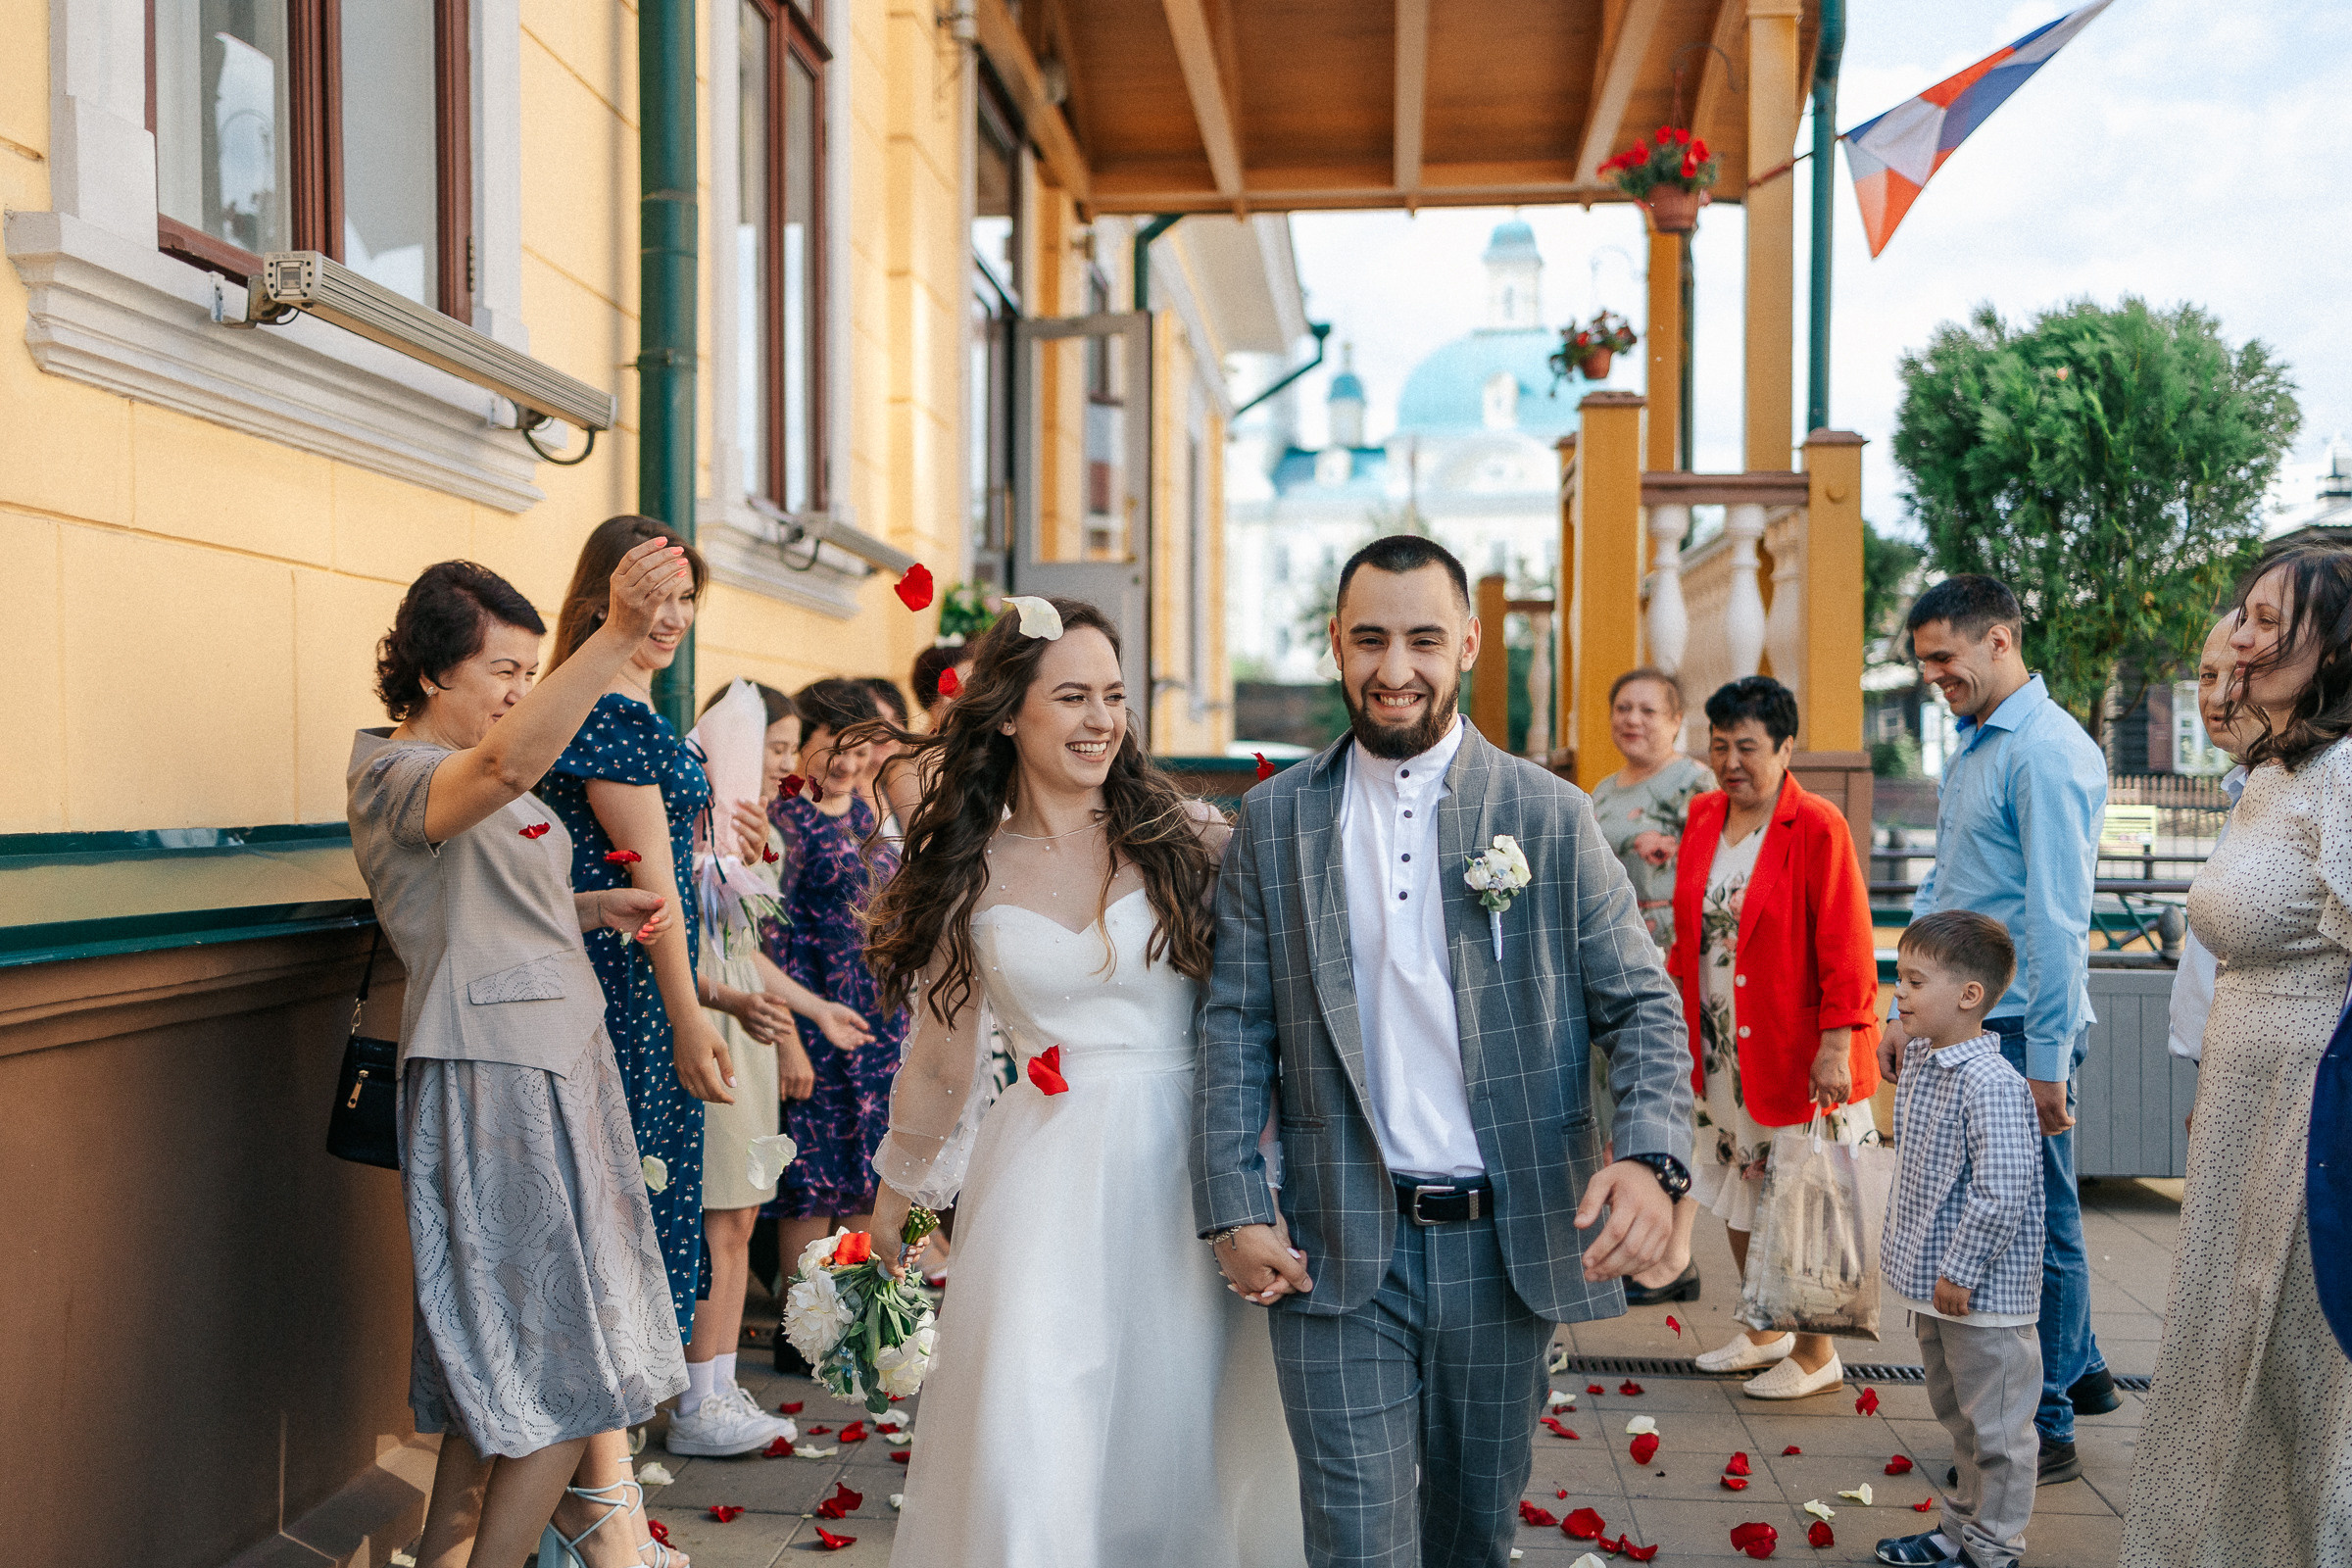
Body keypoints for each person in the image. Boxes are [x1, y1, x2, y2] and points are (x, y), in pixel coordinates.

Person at [1193, 535, 1692, 1566]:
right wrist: (1233, 1200)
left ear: (1467, 642)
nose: (1395, 667)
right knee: (1357, 1542)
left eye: (1423, 638)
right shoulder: (1274, 821)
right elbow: (1233, 1024)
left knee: (1470, 1538)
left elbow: (1643, 1004)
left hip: (1501, 1250)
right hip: (1335, 1249)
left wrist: (1650, 1154)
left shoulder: (1547, 816)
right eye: (1369, 639)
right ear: (1335, 644)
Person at [863, 596, 1302, 1566]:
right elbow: (939, 1056)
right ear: (1011, 712)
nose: (1102, 718)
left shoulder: (1190, 841)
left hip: (1193, 1173)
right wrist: (894, 1201)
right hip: (1043, 1178)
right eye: (1072, 695)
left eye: (1114, 695)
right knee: (1036, 1421)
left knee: (1187, 1422)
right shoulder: (967, 871)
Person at [346, 545, 695, 1568]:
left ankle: (447, 1556)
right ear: (427, 672)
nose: (520, 691)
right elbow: (499, 779)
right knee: (561, 1364)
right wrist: (615, 639)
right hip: (492, 1077)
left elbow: (487, 895)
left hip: (563, 1063)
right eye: (504, 669)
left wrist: (591, 907)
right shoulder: (394, 772)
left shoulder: (480, 762)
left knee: (507, 1365)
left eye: (529, 668)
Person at [2123, 545, 2352, 1567]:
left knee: (2300, 1378)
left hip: (2314, 1128)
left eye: (2269, 621)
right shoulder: (2279, 770)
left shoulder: (2344, 777)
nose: (2245, 640)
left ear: (2337, 644)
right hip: (2247, 1111)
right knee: (2232, 1365)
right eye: (2245, 617)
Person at [1894, 574, 2111, 1484]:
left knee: (2040, 1226)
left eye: (1945, 657)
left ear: (2001, 640)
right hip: (1980, 1027)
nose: (1935, 676)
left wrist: (2049, 1062)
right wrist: (1909, 1005)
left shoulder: (2048, 753)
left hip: (2025, 1032)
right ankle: (2084, 1368)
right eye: (1925, 661)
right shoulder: (1977, 742)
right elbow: (1956, 891)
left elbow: (2059, 921)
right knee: (2033, 1212)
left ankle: (2046, 1423)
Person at [1673, 676, 1883, 1398]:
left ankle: (1818, 1350)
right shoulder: (1703, 816)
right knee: (1735, 1180)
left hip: (1795, 1046)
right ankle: (1766, 1330)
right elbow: (1688, 934)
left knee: (1801, 1198)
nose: (1732, 761)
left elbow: (1848, 942)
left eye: (1750, 748)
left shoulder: (1817, 824)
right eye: (1720, 745)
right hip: (1722, 1048)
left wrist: (1835, 1043)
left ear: (1787, 749)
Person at [667, 682, 817, 1456]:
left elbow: (750, 940)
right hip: (712, 1024)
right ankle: (698, 1396)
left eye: (790, 751)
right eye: (773, 749)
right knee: (718, 1215)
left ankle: (720, 1380)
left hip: (747, 1021)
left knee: (743, 1211)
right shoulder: (679, 823)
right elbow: (682, 947)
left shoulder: (760, 833)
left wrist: (753, 855)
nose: (781, 767)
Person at [1874, 912, 2044, 1568]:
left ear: (1970, 996)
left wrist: (1963, 1268)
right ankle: (1961, 1530)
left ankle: (1993, 1549)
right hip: (1937, 1285)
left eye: (1916, 982)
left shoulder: (1991, 1083)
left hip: (1980, 1295)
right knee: (1962, 1420)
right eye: (1898, 980)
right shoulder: (1927, 1057)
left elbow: (2002, 1191)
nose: (1901, 994)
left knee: (1997, 1428)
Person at [768, 678, 906, 1274]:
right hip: (813, 1010)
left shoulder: (864, 812)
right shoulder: (783, 821)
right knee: (812, 1175)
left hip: (876, 1017)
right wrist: (788, 1038)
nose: (849, 762)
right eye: (834, 747)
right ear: (804, 743)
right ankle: (802, 1321)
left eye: (860, 747)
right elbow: (766, 937)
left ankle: (847, 1319)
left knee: (863, 1174)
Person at [1589, 666, 1714, 1304]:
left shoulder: (1695, 782)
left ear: (1674, 721)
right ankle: (1634, 1239)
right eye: (1622, 707)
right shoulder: (1602, 792)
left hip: (1675, 958)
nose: (1632, 719)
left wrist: (1677, 844)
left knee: (1676, 1095)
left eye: (1647, 710)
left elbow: (1722, 855)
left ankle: (1673, 1254)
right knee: (1617, 1098)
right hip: (1609, 957)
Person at [2164, 618, 2250, 1074]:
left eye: (2237, 673)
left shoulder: (2325, 786)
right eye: (2206, 675)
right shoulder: (2245, 789)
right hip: (2219, 1070)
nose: (2215, 697)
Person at [864, 675, 920, 835]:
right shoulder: (841, 793)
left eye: (897, 719)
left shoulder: (891, 791)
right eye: (877, 719)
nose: (889, 731)